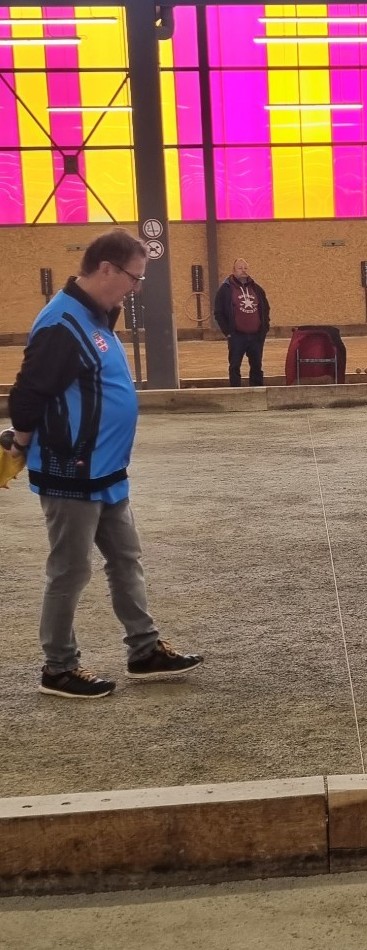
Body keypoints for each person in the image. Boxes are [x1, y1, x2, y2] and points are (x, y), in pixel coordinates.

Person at [6, 228, 203, 699]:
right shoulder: (62, 324)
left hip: (106, 468)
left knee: (125, 560)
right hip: (71, 468)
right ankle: (58, 668)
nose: (136, 288)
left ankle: (144, 650)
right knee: (70, 570)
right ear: (107, 269)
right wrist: (19, 443)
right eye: (134, 277)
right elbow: (29, 392)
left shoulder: (98, 315)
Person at [214, 258, 271, 387]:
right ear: (233, 271)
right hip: (236, 336)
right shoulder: (225, 290)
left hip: (256, 336)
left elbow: (266, 309)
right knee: (234, 366)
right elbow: (218, 312)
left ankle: (257, 393)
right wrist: (228, 332)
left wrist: (264, 329)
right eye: (240, 268)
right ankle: (235, 393)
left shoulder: (257, 289)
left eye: (245, 268)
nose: (243, 271)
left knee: (257, 366)